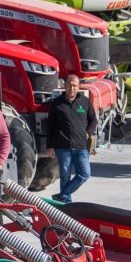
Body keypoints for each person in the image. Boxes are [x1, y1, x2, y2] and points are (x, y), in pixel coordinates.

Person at [45, 75, 97, 203]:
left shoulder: (85, 102)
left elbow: (93, 120)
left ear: (79, 87)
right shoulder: (57, 103)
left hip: (81, 147)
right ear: (64, 86)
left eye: (74, 85)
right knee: (65, 177)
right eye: (69, 85)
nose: (71, 88)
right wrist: (50, 146)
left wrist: (88, 133)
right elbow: (50, 126)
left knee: (84, 174)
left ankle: (63, 195)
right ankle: (67, 204)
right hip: (63, 147)